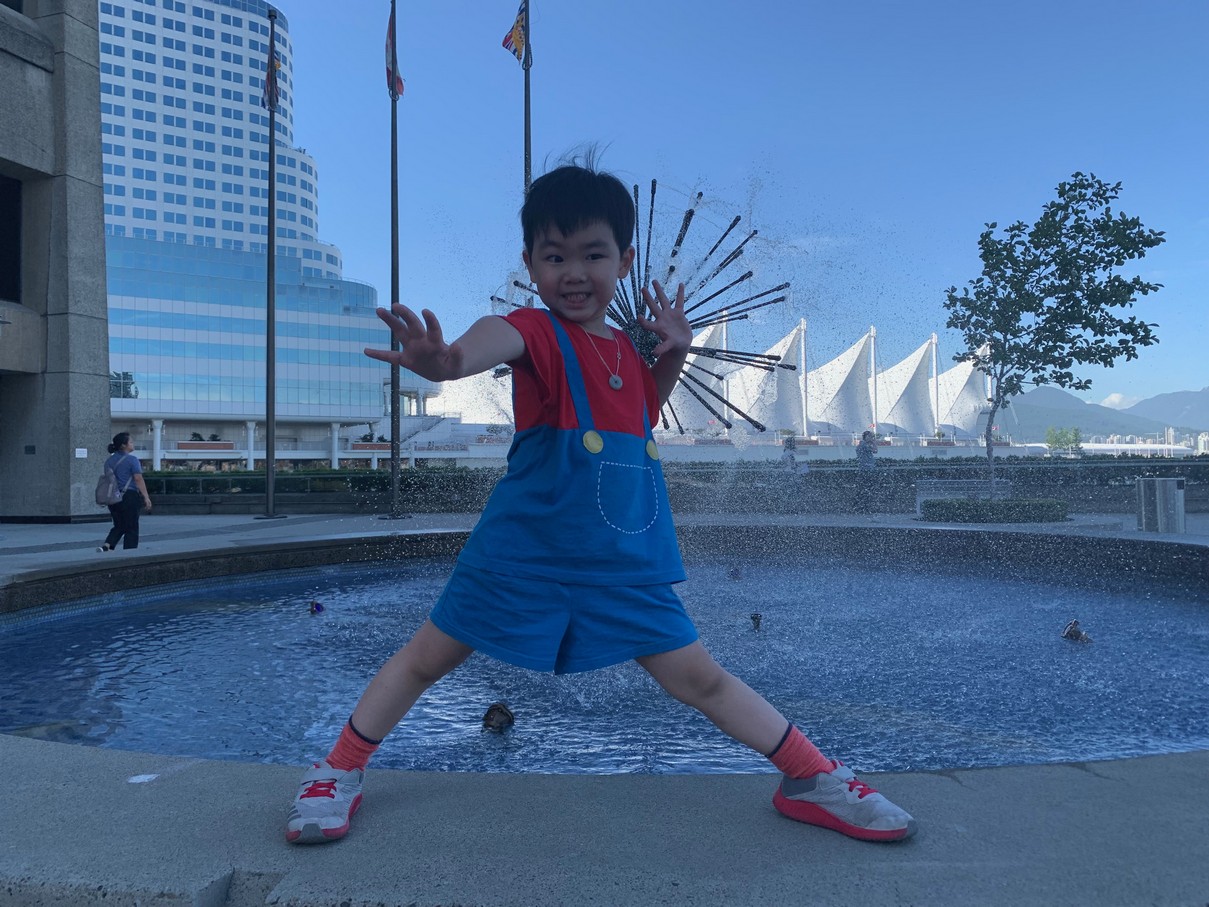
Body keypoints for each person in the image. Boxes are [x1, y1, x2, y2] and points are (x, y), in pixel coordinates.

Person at [285, 163, 915, 846]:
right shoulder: (530, 330)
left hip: (619, 559)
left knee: (699, 677)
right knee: (425, 659)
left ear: (624, 259)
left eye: (592, 254)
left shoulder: (624, 351)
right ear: (530, 264)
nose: (574, 272)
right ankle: (336, 771)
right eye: (554, 257)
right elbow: (477, 347)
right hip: (520, 552)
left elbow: (639, 414)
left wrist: (676, 353)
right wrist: (443, 362)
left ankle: (811, 778)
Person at [97, 432, 152, 552]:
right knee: (132, 527)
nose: (133, 444)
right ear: (123, 445)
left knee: (120, 524)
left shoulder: (109, 461)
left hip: (113, 497)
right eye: (131, 442)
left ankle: (107, 545)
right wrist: (146, 497)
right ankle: (129, 553)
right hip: (129, 496)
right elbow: (138, 479)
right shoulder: (132, 460)